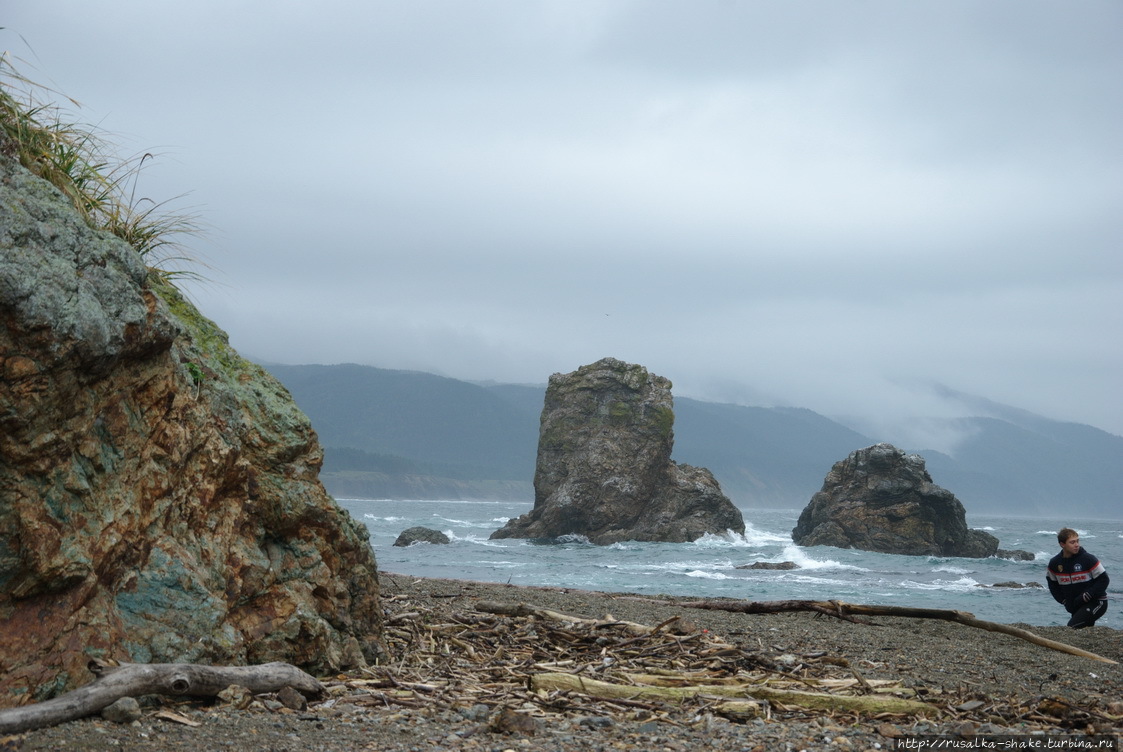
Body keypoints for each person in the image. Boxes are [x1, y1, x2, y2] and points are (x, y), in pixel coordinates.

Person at [1046, 527, 1109, 628]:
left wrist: (1087, 595)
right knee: (1083, 630)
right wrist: (1064, 601)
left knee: (1072, 627)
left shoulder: (1088, 559)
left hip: (1097, 602)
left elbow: (1104, 580)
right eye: (1072, 542)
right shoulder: (1055, 563)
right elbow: (1053, 585)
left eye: (1077, 541)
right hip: (1075, 605)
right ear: (1062, 544)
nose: (1077, 545)